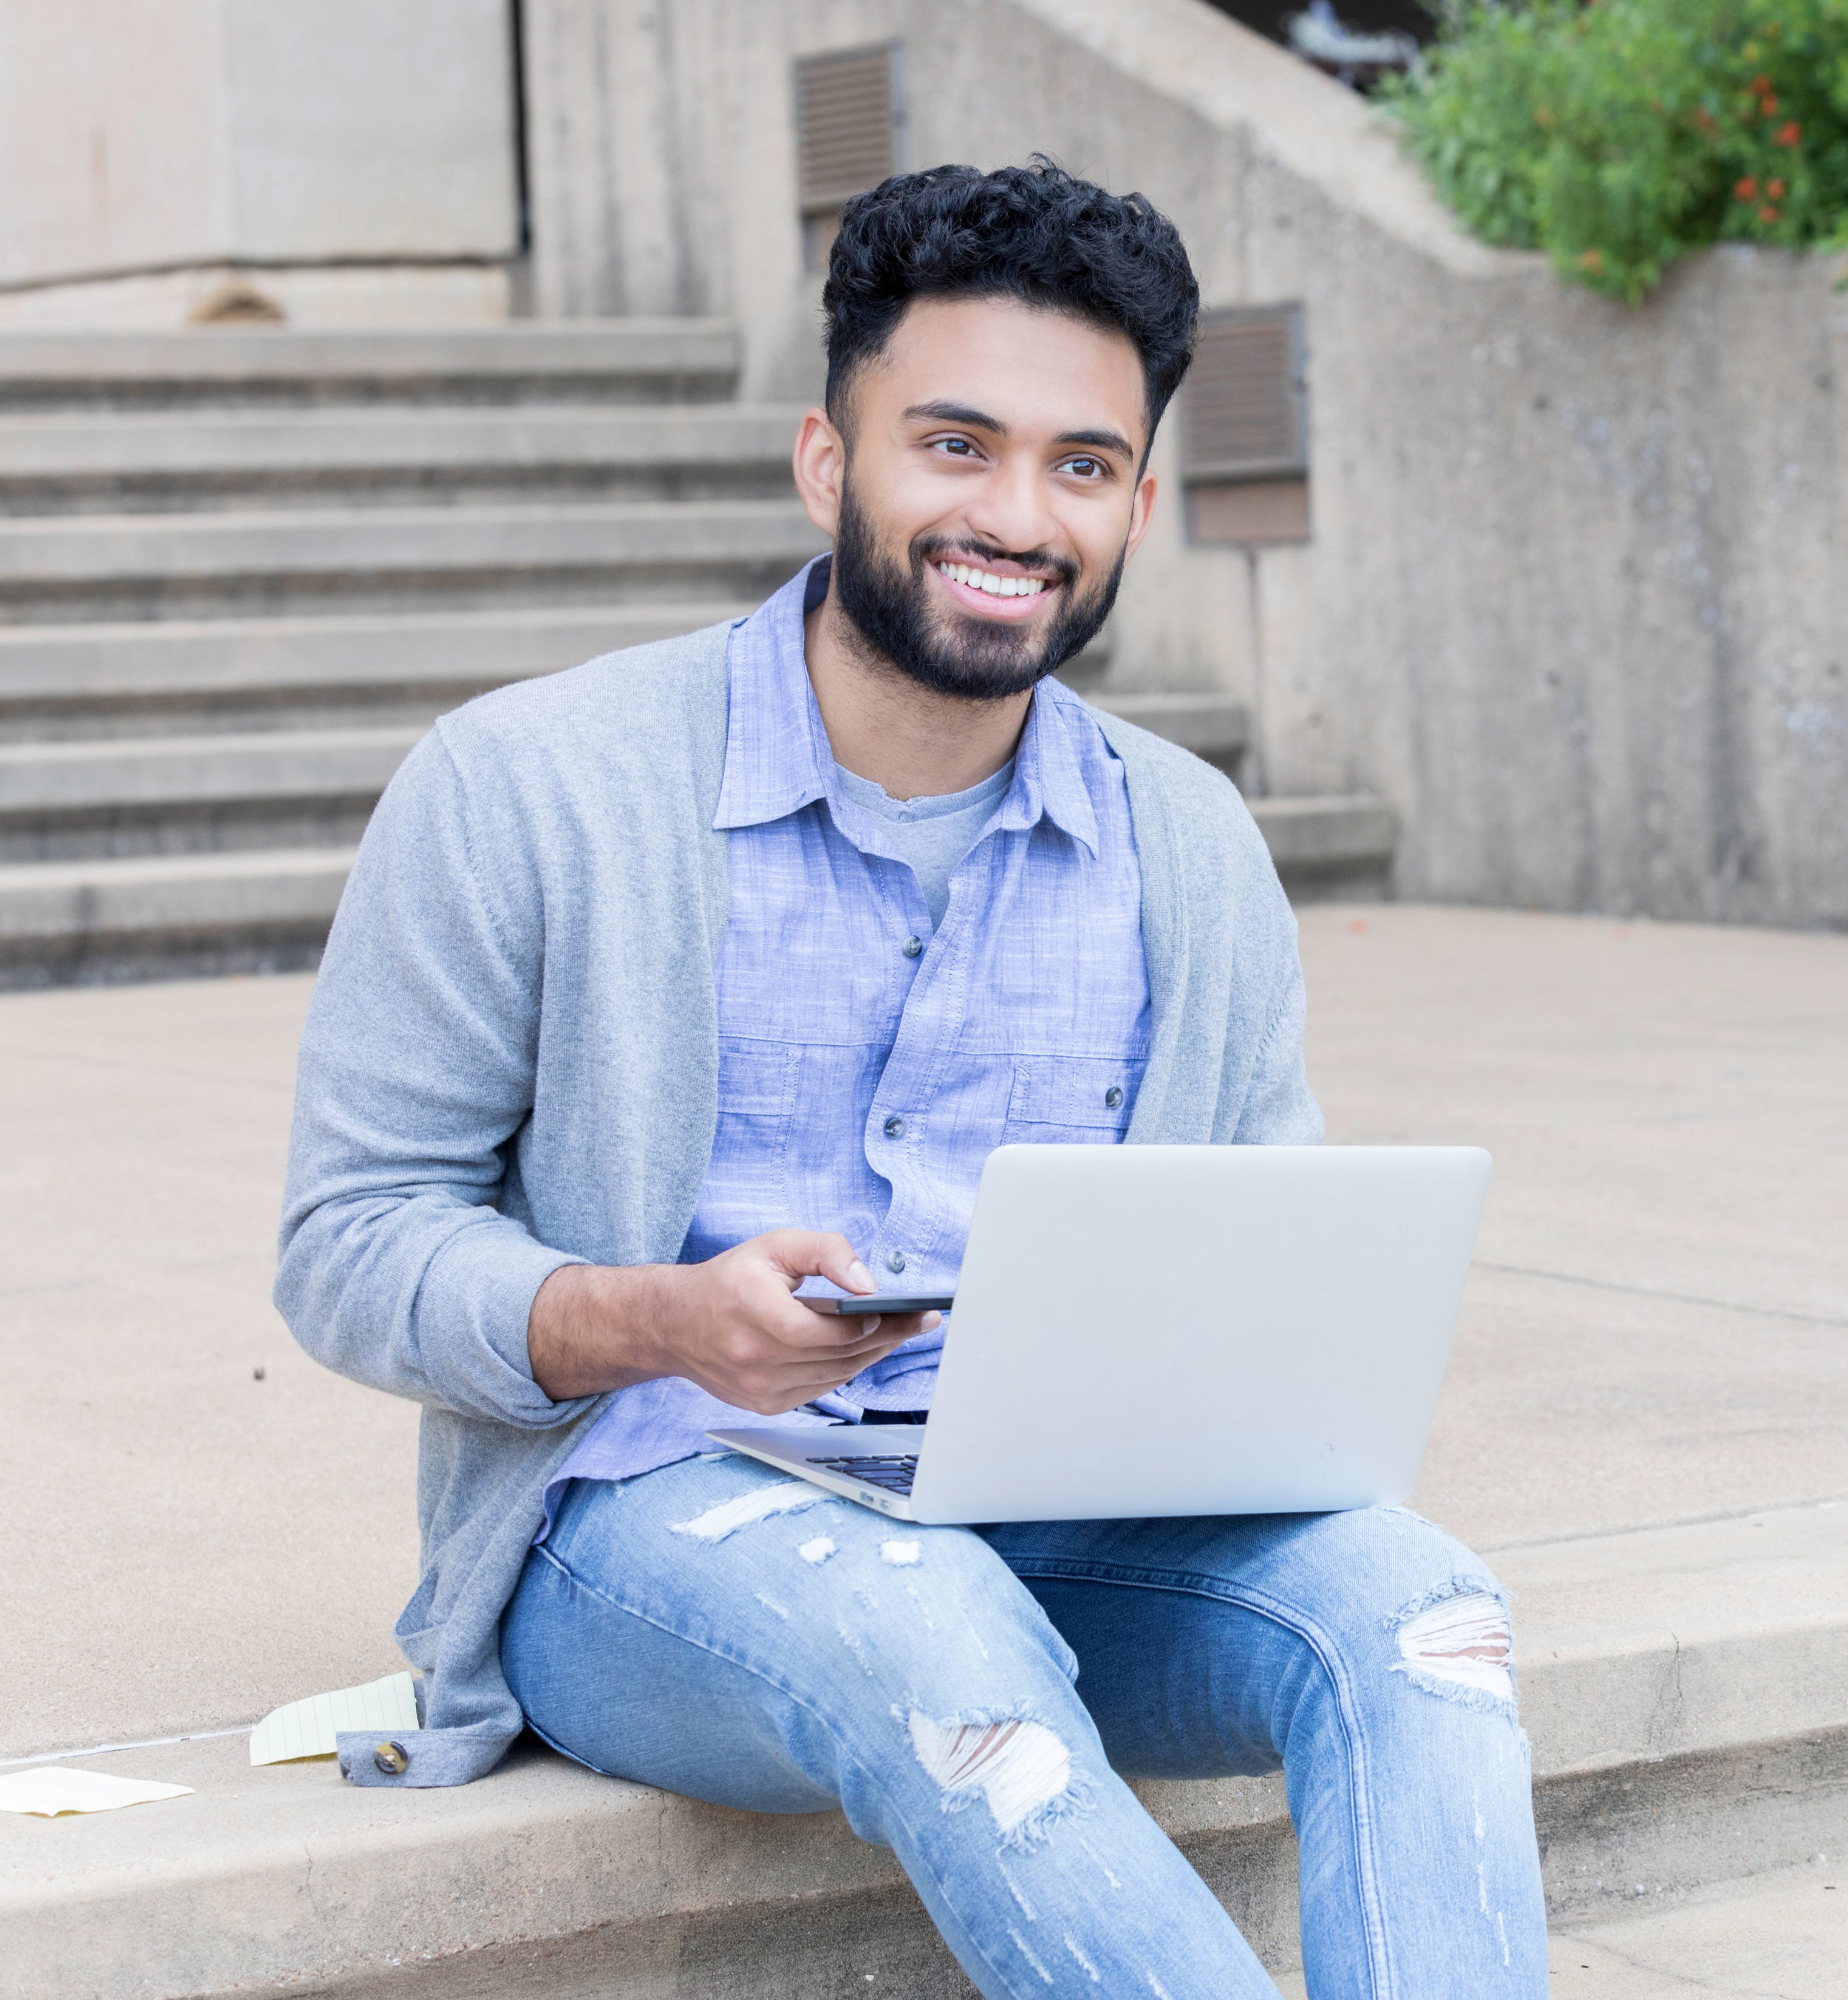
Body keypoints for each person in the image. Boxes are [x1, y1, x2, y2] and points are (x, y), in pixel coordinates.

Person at [276, 159, 1547, 1999]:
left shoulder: (1183, 844)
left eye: (1080, 464)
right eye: (955, 444)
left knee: (1420, 1617)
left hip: (1061, 1526)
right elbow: (348, 1241)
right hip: (643, 1527)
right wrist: (654, 1319)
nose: (1016, 515)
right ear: (827, 460)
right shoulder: (528, 789)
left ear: (1135, 498)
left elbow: (1264, 1245)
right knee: (935, 1628)